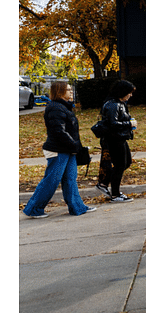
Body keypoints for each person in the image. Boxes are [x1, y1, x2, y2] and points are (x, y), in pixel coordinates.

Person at [23, 82, 97, 218]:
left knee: (70, 179)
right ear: (59, 92)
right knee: (51, 180)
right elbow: (59, 131)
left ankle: (77, 207)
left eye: (70, 89)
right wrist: (75, 145)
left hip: (67, 149)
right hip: (57, 150)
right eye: (68, 90)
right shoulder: (56, 108)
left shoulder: (64, 107)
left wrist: (75, 146)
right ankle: (34, 209)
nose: (71, 91)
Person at [95, 80, 138, 202]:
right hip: (114, 139)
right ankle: (115, 194)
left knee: (126, 162)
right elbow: (112, 124)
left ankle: (104, 183)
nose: (130, 95)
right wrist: (129, 124)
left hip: (120, 137)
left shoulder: (119, 103)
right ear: (122, 92)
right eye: (129, 93)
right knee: (120, 165)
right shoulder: (113, 105)